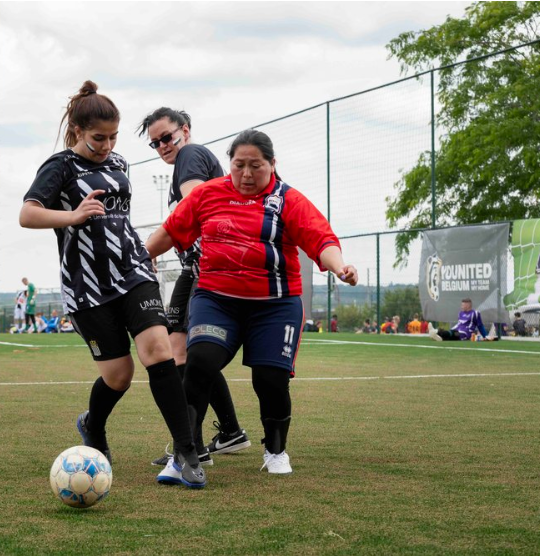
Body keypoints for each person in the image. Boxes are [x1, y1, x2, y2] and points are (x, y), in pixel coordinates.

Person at [19, 80, 205, 488]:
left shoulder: (119, 162)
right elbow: (27, 214)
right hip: (86, 286)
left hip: (133, 270)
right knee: (119, 375)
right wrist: (72, 216)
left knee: (158, 350)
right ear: (77, 132)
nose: (106, 145)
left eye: (113, 137)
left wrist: (143, 254)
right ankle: (93, 427)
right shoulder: (60, 167)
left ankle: (187, 452)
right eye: (98, 138)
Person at [145, 129, 358, 475]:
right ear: (229, 164)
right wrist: (142, 255)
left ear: (273, 164)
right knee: (199, 362)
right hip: (216, 300)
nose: (246, 174)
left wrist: (340, 267)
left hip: (275, 305)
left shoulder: (288, 200)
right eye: (238, 165)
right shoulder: (208, 195)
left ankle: (275, 451)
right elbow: (171, 230)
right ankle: (185, 453)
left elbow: (321, 239)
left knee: (270, 379)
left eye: (255, 166)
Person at [139, 107, 249, 466]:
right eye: (155, 143)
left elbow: (195, 203)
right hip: (194, 266)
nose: (162, 146)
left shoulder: (191, 154)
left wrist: (152, 246)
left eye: (166, 137)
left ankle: (192, 446)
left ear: (184, 130)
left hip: (208, 266)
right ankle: (228, 432)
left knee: (186, 354)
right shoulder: (187, 161)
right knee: (181, 350)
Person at [428, 298, 497, 341]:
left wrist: (486, 336)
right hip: (456, 330)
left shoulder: (475, 313)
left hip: (465, 334)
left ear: (467, 306)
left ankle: (436, 332)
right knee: (451, 333)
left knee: (453, 334)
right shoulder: (460, 313)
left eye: (463, 305)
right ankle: (439, 337)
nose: (461, 306)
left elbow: (480, 326)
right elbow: (459, 324)